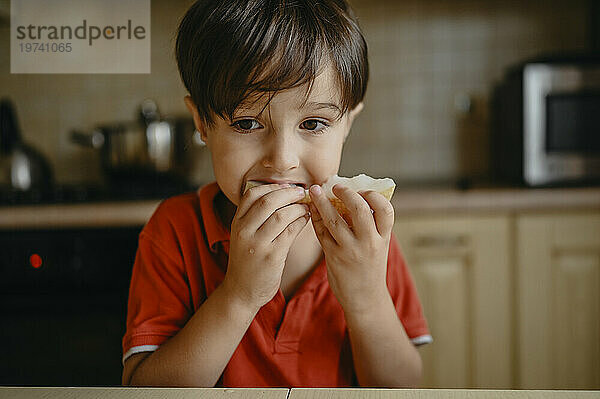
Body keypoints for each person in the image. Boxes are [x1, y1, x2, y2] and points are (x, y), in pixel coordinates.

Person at [121, 0, 432, 388]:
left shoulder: (364, 234)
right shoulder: (174, 232)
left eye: (314, 123)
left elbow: (403, 389)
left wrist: (366, 298)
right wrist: (239, 295)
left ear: (347, 122)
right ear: (202, 122)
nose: (283, 161)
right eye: (247, 122)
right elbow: (145, 392)